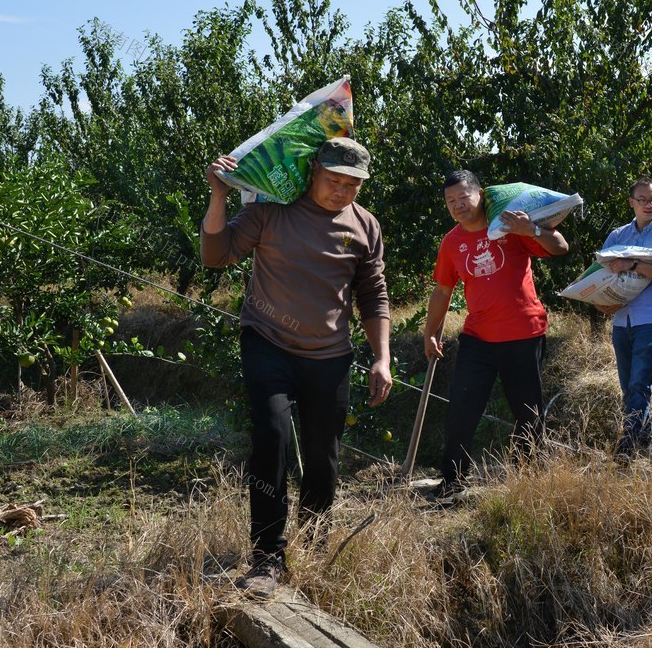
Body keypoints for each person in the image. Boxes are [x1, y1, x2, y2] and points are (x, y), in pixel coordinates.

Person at [201, 137, 392, 598]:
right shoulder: (272, 211)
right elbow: (215, 255)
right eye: (333, 181)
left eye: (352, 185)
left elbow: (372, 294)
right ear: (313, 174)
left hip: (329, 356)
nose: (341, 191)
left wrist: (382, 356)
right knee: (272, 436)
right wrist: (219, 194)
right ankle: (267, 557)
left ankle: (312, 545)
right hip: (268, 342)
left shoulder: (365, 226)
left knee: (323, 456)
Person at [423, 170, 569, 500]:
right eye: (450, 201)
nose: (458, 205)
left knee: (527, 412)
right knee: (461, 407)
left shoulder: (509, 225)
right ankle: (452, 480)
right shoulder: (451, 242)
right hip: (478, 338)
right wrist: (430, 333)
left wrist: (530, 229)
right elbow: (443, 290)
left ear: (480, 195)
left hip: (523, 332)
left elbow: (560, 246)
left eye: (463, 197)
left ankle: (529, 481)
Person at [597, 177, 652, 456]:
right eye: (643, 199)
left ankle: (628, 444)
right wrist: (600, 303)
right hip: (621, 319)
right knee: (627, 384)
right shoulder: (617, 236)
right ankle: (644, 439)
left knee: (639, 382)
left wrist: (633, 263)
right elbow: (603, 276)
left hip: (650, 318)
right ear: (631, 202)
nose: (649, 205)